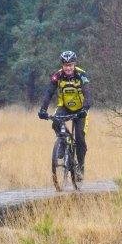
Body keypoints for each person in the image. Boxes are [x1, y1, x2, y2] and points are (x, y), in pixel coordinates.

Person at [38, 50, 92, 178]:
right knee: (55, 121)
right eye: (66, 65)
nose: (68, 68)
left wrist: (85, 109)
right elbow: (48, 93)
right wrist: (43, 110)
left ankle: (80, 167)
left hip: (81, 109)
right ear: (62, 65)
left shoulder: (81, 75)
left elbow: (88, 94)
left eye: (71, 65)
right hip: (64, 107)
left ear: (74, 64)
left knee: (79, 138)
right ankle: (63, 141)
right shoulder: (57, 76)